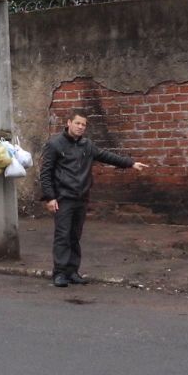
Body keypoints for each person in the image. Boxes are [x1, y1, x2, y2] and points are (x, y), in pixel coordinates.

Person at [39, 110, 149, 287]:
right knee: (62, 236)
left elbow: (107, 156)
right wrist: (50, 197)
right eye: (77, 123)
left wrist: (130, 163)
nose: (80, 127)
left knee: (75, 236)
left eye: (83, 125)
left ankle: (72, 271)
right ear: (69, 123)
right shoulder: (55, 144)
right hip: (63, 198)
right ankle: (59, 273)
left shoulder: (87, 145)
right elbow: (45, 173)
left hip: (81, 198)